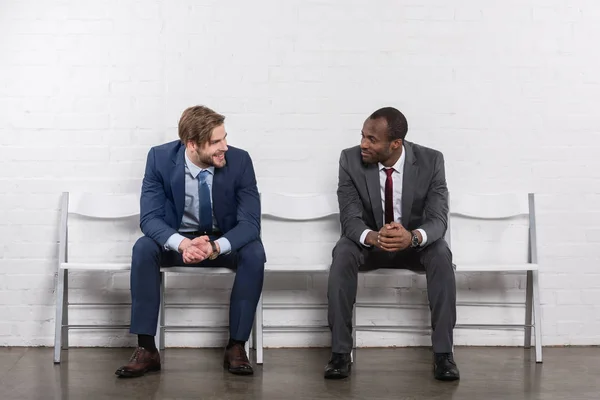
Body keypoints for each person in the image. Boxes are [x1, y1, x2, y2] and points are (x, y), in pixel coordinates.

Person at [115, 105, 265, 378]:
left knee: (254, 252)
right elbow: (149, 218)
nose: (225, 147)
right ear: (192, 144)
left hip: (221, 243)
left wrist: (214, 247)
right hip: (179, 244)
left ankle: (236, 346)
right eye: (217, 142)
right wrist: (183, 244)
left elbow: (250, 224)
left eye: (225, 138)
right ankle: (147, 349)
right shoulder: (159, 159)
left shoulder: (240, 161)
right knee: (143, 247)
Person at [325, 107, 459, 381]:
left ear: (395, 144)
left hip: (413, 245)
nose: (363, 143)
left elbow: (437, 219)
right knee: (342, 252)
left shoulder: (431, 161)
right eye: (362, 136)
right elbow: (349, 217)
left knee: (442, 252)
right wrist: (373, 237)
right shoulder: (349, 160)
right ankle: (340, 354)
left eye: (372, 139)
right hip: (370, 244)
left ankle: (444, 355)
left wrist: (412, 237)